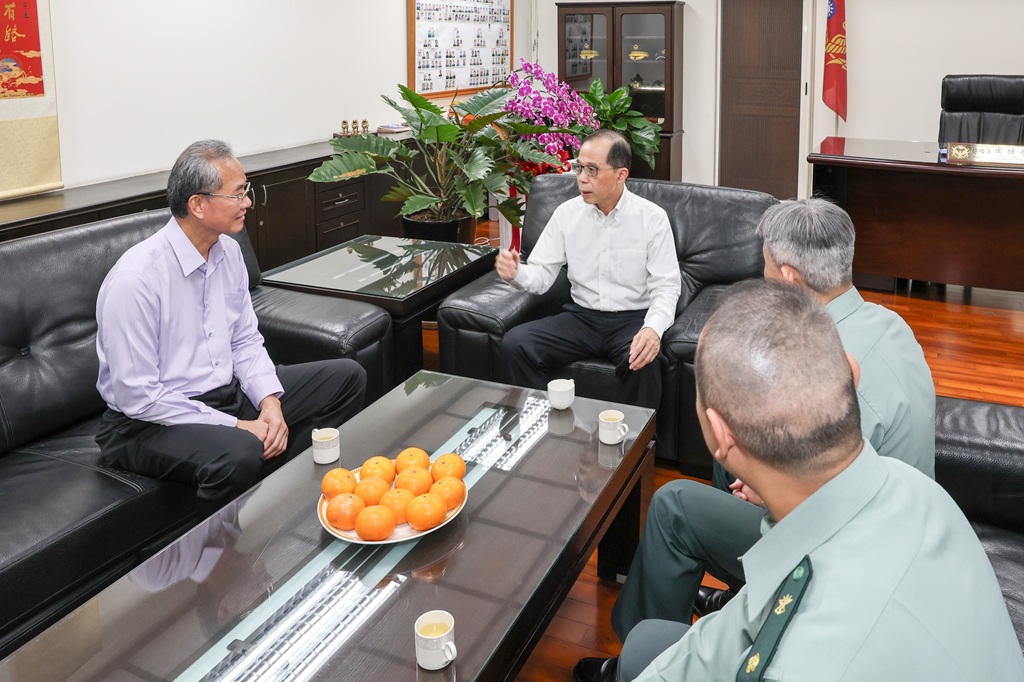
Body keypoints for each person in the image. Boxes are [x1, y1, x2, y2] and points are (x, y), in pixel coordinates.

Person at [577, 199, 937, 681]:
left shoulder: (828, 371)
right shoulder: (888, 324)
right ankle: (740, 597)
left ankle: (638, 663)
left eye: (764, 268)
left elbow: (823, 512)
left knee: (673, 505)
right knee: (727, 460)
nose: (762, 278)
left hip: (845, 559)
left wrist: (767, 492)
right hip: (891, 514)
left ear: (789, 278)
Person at [594, 280, 1024, 682]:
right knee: (649, 646)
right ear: (850, 375)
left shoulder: (801, 665)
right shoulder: (922, 491)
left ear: (721, 435)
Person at [95, 140, 366, 517]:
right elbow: (138, 395)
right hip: (146, 421)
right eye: (238, 194)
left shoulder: (229, 252)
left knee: (346, 378)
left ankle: (287, 502)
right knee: (240, 452)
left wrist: (269, 402)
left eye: (246, 191)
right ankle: (219, 546)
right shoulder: (136, 280)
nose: (248, 202)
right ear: (198, 204)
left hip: (225, 393)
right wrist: (238, 425)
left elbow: (244, 341)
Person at [496, 130, 681, 410]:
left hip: (631, 320)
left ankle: (636, 438)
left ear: (621, 175)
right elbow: (542, 276)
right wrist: (516, 274)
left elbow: (666, 287)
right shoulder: (566, 214)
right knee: (516, 344)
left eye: (592, 170)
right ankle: (541, 423)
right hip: (581, 318)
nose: (582, 178)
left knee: (643, 363)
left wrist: (652, 330)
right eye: (579, 168)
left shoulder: (652, 219)